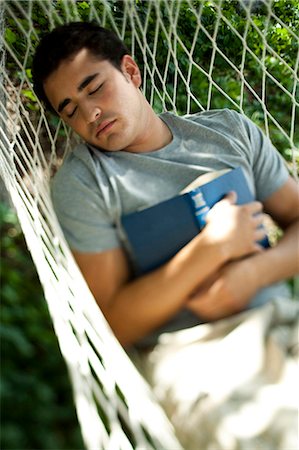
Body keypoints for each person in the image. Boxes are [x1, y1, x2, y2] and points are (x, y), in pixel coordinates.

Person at [32, 21, 299, 448]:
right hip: (198, 359)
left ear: (131, 72)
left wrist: (252, 275)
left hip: (283, 316)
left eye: (94, 87)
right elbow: (114, 323)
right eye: (70, 109)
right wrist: (208, 251)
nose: (89, 113)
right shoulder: (86, 183)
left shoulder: (227, 131)